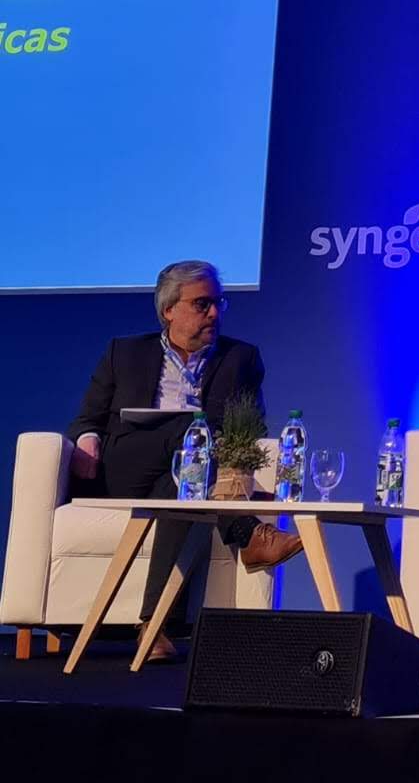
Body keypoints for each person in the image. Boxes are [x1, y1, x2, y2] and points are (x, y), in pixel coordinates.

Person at [66, 260, 304, 662]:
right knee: (191, 431)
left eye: (218, 303)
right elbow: (86, 419)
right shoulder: (125, 352)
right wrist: (86, 442)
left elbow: (250, 427)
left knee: (182, 484)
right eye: (202, 304)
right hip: (126, 468)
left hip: (188, 476)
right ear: (169, 310)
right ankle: (246, 532)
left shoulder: (241, 358)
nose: (214, 313)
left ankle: (153, 627)